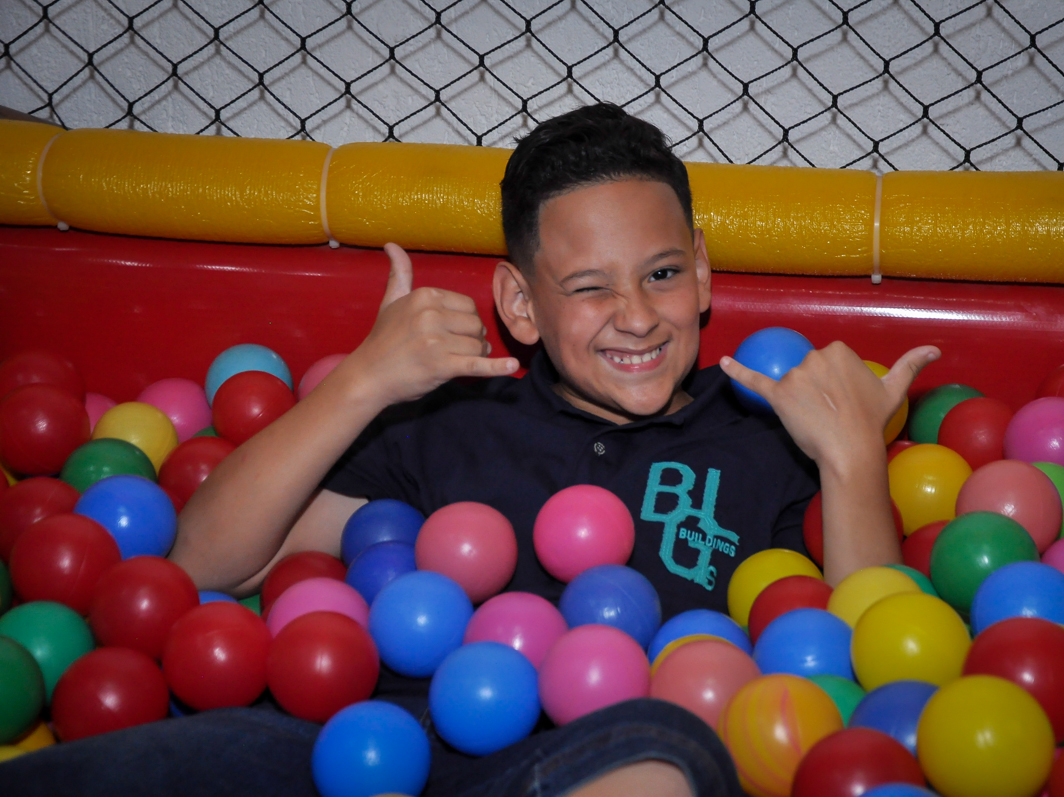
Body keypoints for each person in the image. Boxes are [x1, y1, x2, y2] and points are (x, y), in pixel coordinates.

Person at [3, 103, 938, 796]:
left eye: (660, 274)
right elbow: (204, 565)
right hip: (363, 745)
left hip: (612, 753)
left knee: (655, 750)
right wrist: (361, 384)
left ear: (700, 271)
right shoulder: (446, 417)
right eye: (588, 287)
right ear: (519, 305)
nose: (638, 315)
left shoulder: (760, 441)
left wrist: (852, 456)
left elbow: (876, 687)